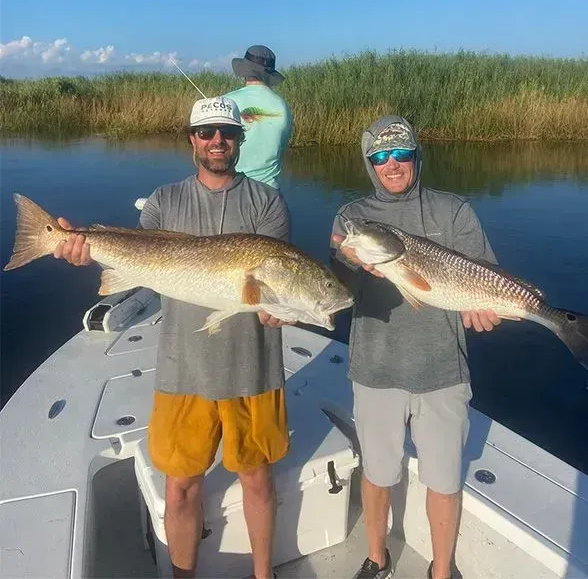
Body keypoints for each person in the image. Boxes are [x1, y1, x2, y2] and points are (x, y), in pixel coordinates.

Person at [54, 95, 290, 579]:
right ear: (191, 140)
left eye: (227, 133)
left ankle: (263, 575)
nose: (217, 141)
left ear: (240, 140)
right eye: (206, 133)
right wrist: (82, 249)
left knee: (258, 480)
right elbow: (135, 264)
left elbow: (276, 290)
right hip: (183, 368)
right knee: (181, 486)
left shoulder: (268, 203)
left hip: (254, 367)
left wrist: (279, 309)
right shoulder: (164, 201)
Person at [329, 115, 501, 579]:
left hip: (444, 368)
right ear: (369, 163)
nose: (391, 164)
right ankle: (377, 556)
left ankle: (441, 570)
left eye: (401, 153)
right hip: (376, 368)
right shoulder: (352, 219)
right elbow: (337, 288)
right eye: (380, 157)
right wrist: (346, 262)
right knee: (378, 473)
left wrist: (480, 308)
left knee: (444, 479)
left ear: (415, 157)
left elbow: (484, 277)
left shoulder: (454, 211)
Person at [225, 45, 293, 189]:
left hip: (234, 190)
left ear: (245, 71)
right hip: (271, 194)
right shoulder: (283, 107)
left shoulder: (226, 101)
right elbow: (282, 146)